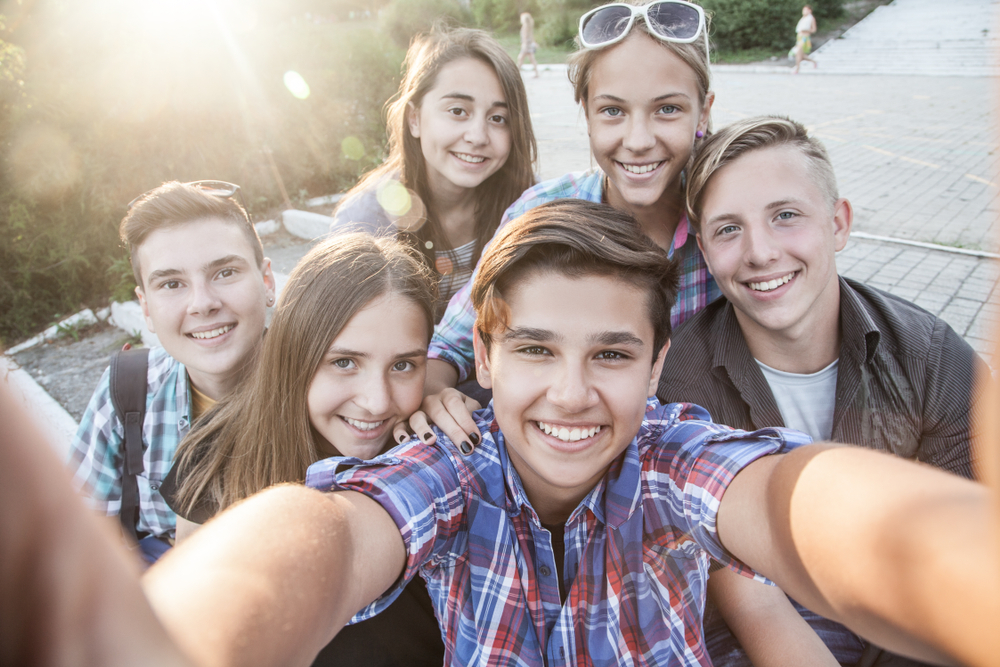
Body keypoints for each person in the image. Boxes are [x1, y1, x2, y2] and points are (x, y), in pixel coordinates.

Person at [141, 200, 1000, 667]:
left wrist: (963, 567)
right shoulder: (449, 466)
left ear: (659, 365)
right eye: (537, 348)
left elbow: (785, 499)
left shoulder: (672, 458)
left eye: (613, 353)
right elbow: (333, 534)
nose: (573, 393)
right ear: (482, 352)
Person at [658, 115, 988, 667]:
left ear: (838, 223)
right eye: (728, 229)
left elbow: (968, 544)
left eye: (785, 216)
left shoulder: (930, 356)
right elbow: (736, 589)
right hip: (761, 626)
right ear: (706, 252)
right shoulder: (679, 381)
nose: (760, 252)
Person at [414, 0, 722, 451]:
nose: (638, 141)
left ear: (704, 110)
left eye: (668, 110)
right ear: (585, 110)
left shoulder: (728, 225)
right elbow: (450, 346)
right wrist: (434, 393)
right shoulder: (542, 210)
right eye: (612, 111)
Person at [159, 233, 445, 667]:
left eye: (403, 365)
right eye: (344, 362)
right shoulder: (217, 455)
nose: (377, 401)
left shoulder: (438, 455)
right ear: (295, 353)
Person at [66, 181, 275, 564]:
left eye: (225, 272)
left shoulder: (327, 386)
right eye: (172, 284)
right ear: (145, 306)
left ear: (266, 282)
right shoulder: (127, 392)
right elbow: (78, 547)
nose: (203, 303)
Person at [330, 26, 537, 318]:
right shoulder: (363, 224)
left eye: (498, 118)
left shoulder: (531, 210)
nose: (478, 136)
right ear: (414, 119)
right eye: (457, 111)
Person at [791, 5, 817, 74]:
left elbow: (814, 29)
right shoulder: (803, 18)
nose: (804, 11)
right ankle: (814, 62)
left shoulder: (811, 18)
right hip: (799, 37)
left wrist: (806, 30)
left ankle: (797, 69)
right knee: (801, 56)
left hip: (805, 38)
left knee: (798, 54)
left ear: (809, 10)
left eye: (806, 10)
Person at [517, 12, 540, 78]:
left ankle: (517, 73)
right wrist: (534, 43)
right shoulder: (529, 26)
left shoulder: (525, 26)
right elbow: (531, 36)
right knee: (531, 59)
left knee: (520, 59)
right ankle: (536, 73)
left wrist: (524, 44)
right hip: (529, 45)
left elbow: (524, 37)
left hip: (526, 45)